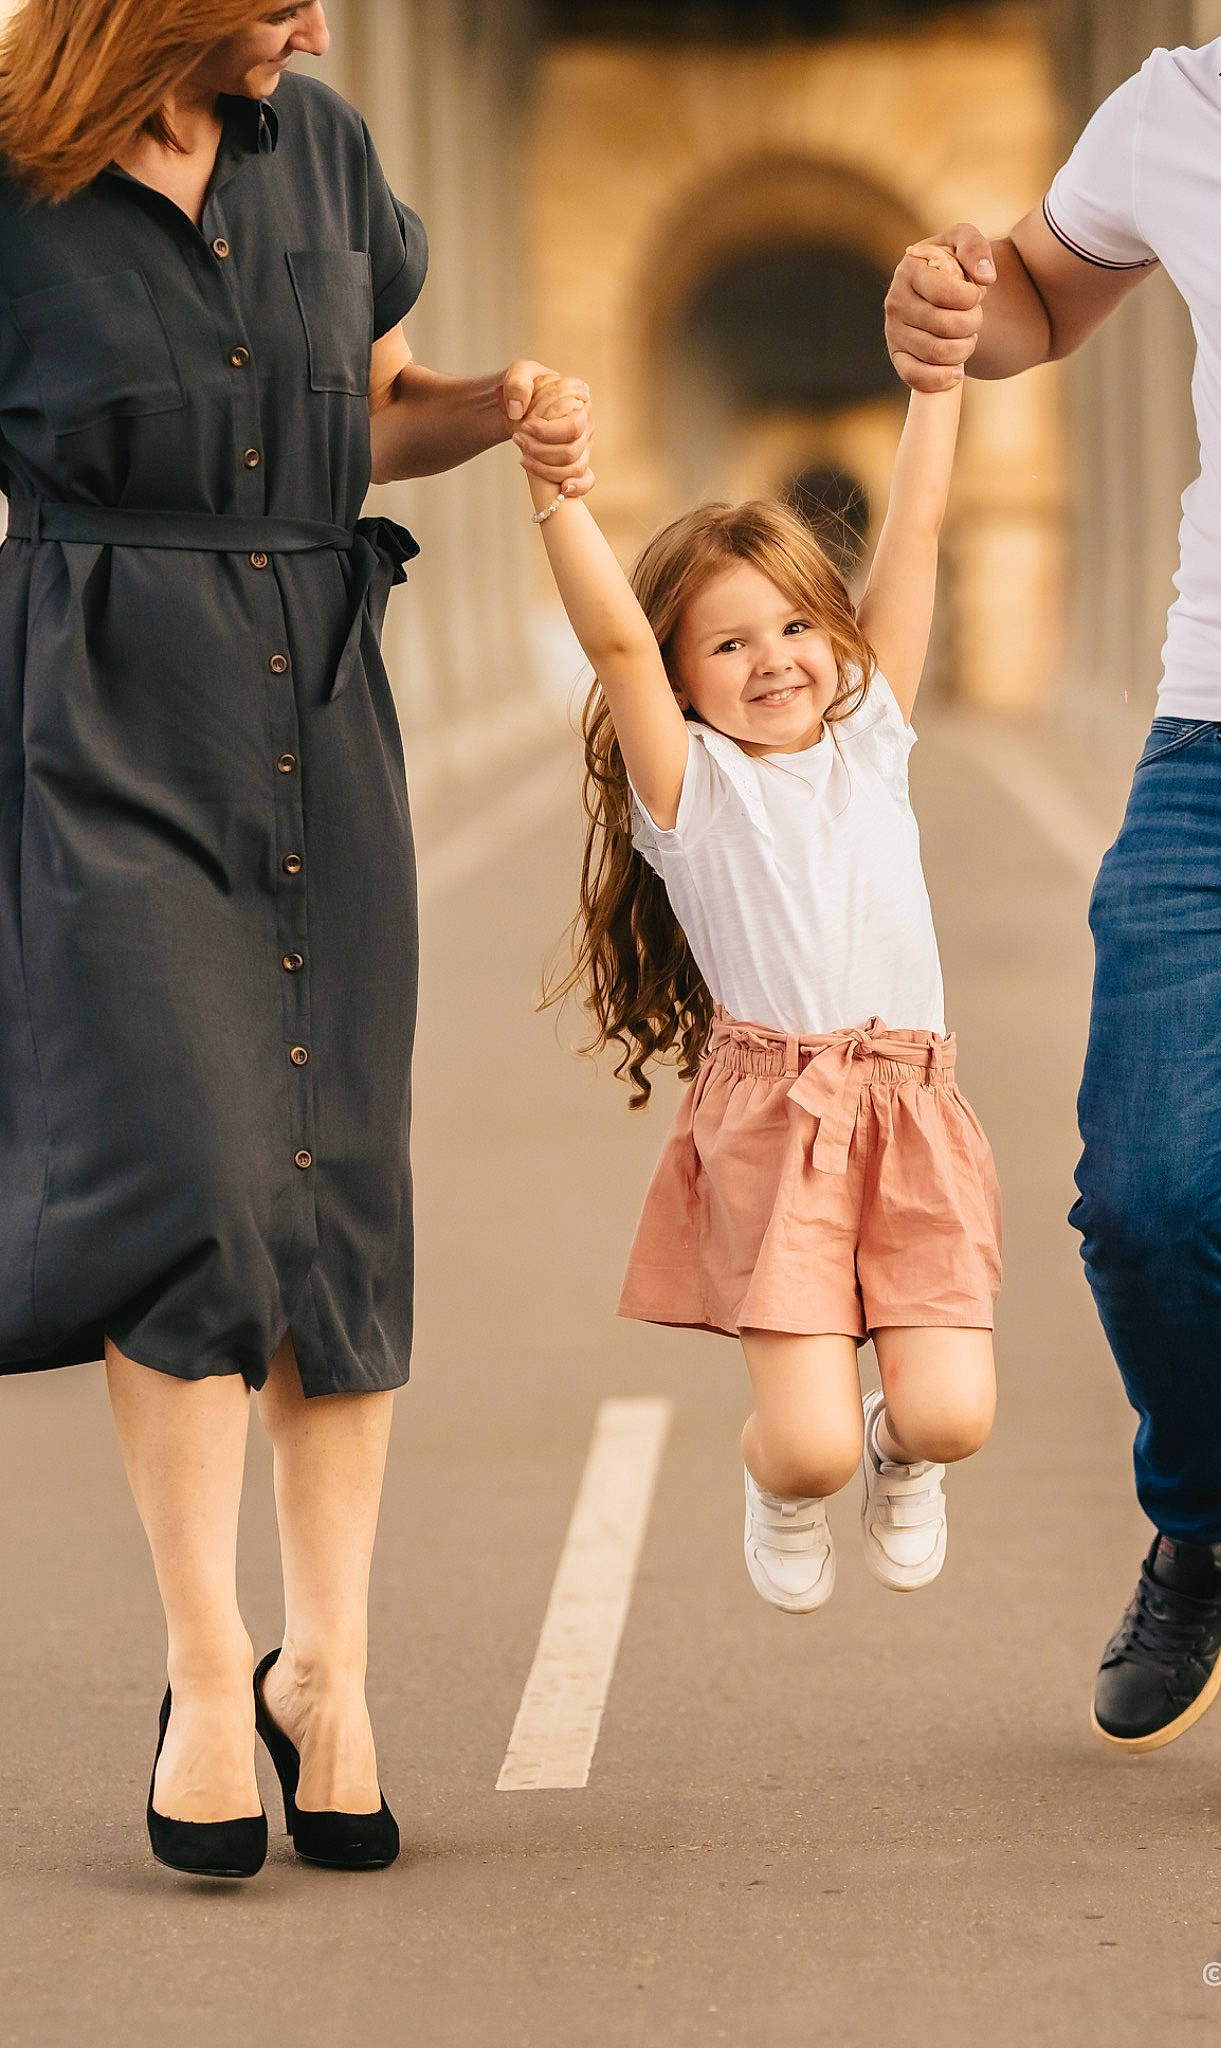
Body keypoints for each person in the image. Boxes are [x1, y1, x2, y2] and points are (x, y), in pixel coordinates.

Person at [0, 0, 591, 1878]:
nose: (316, 25)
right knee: (189, 1169)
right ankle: (199, 1669)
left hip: (317, 714)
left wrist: (497, 404)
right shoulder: (9, 174)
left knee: (332, 1183)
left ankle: (324, 1670)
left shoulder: (319, 149)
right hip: (97, 723)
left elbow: (383, 411)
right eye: (274, 2)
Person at [884, 0, 1221, 1835]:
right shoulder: (1172, 105)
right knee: (1146, 1193)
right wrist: (957, 306)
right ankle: (1219, 1499)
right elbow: (1040, 293)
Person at [522, 308, 1002, 1617]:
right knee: (806, 1441)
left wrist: (938, 386)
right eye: (726, 646)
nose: (772, 662)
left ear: (831, 636)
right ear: (683, 678)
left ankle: (898, 1458)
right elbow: (614, 641)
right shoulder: (692, 789)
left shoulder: (871, 739)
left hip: (910, 1106)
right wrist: (554, 492)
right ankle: (784, 1477)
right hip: (774, 1120)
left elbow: (910, 535)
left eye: (792, 628)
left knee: (949, 1415)